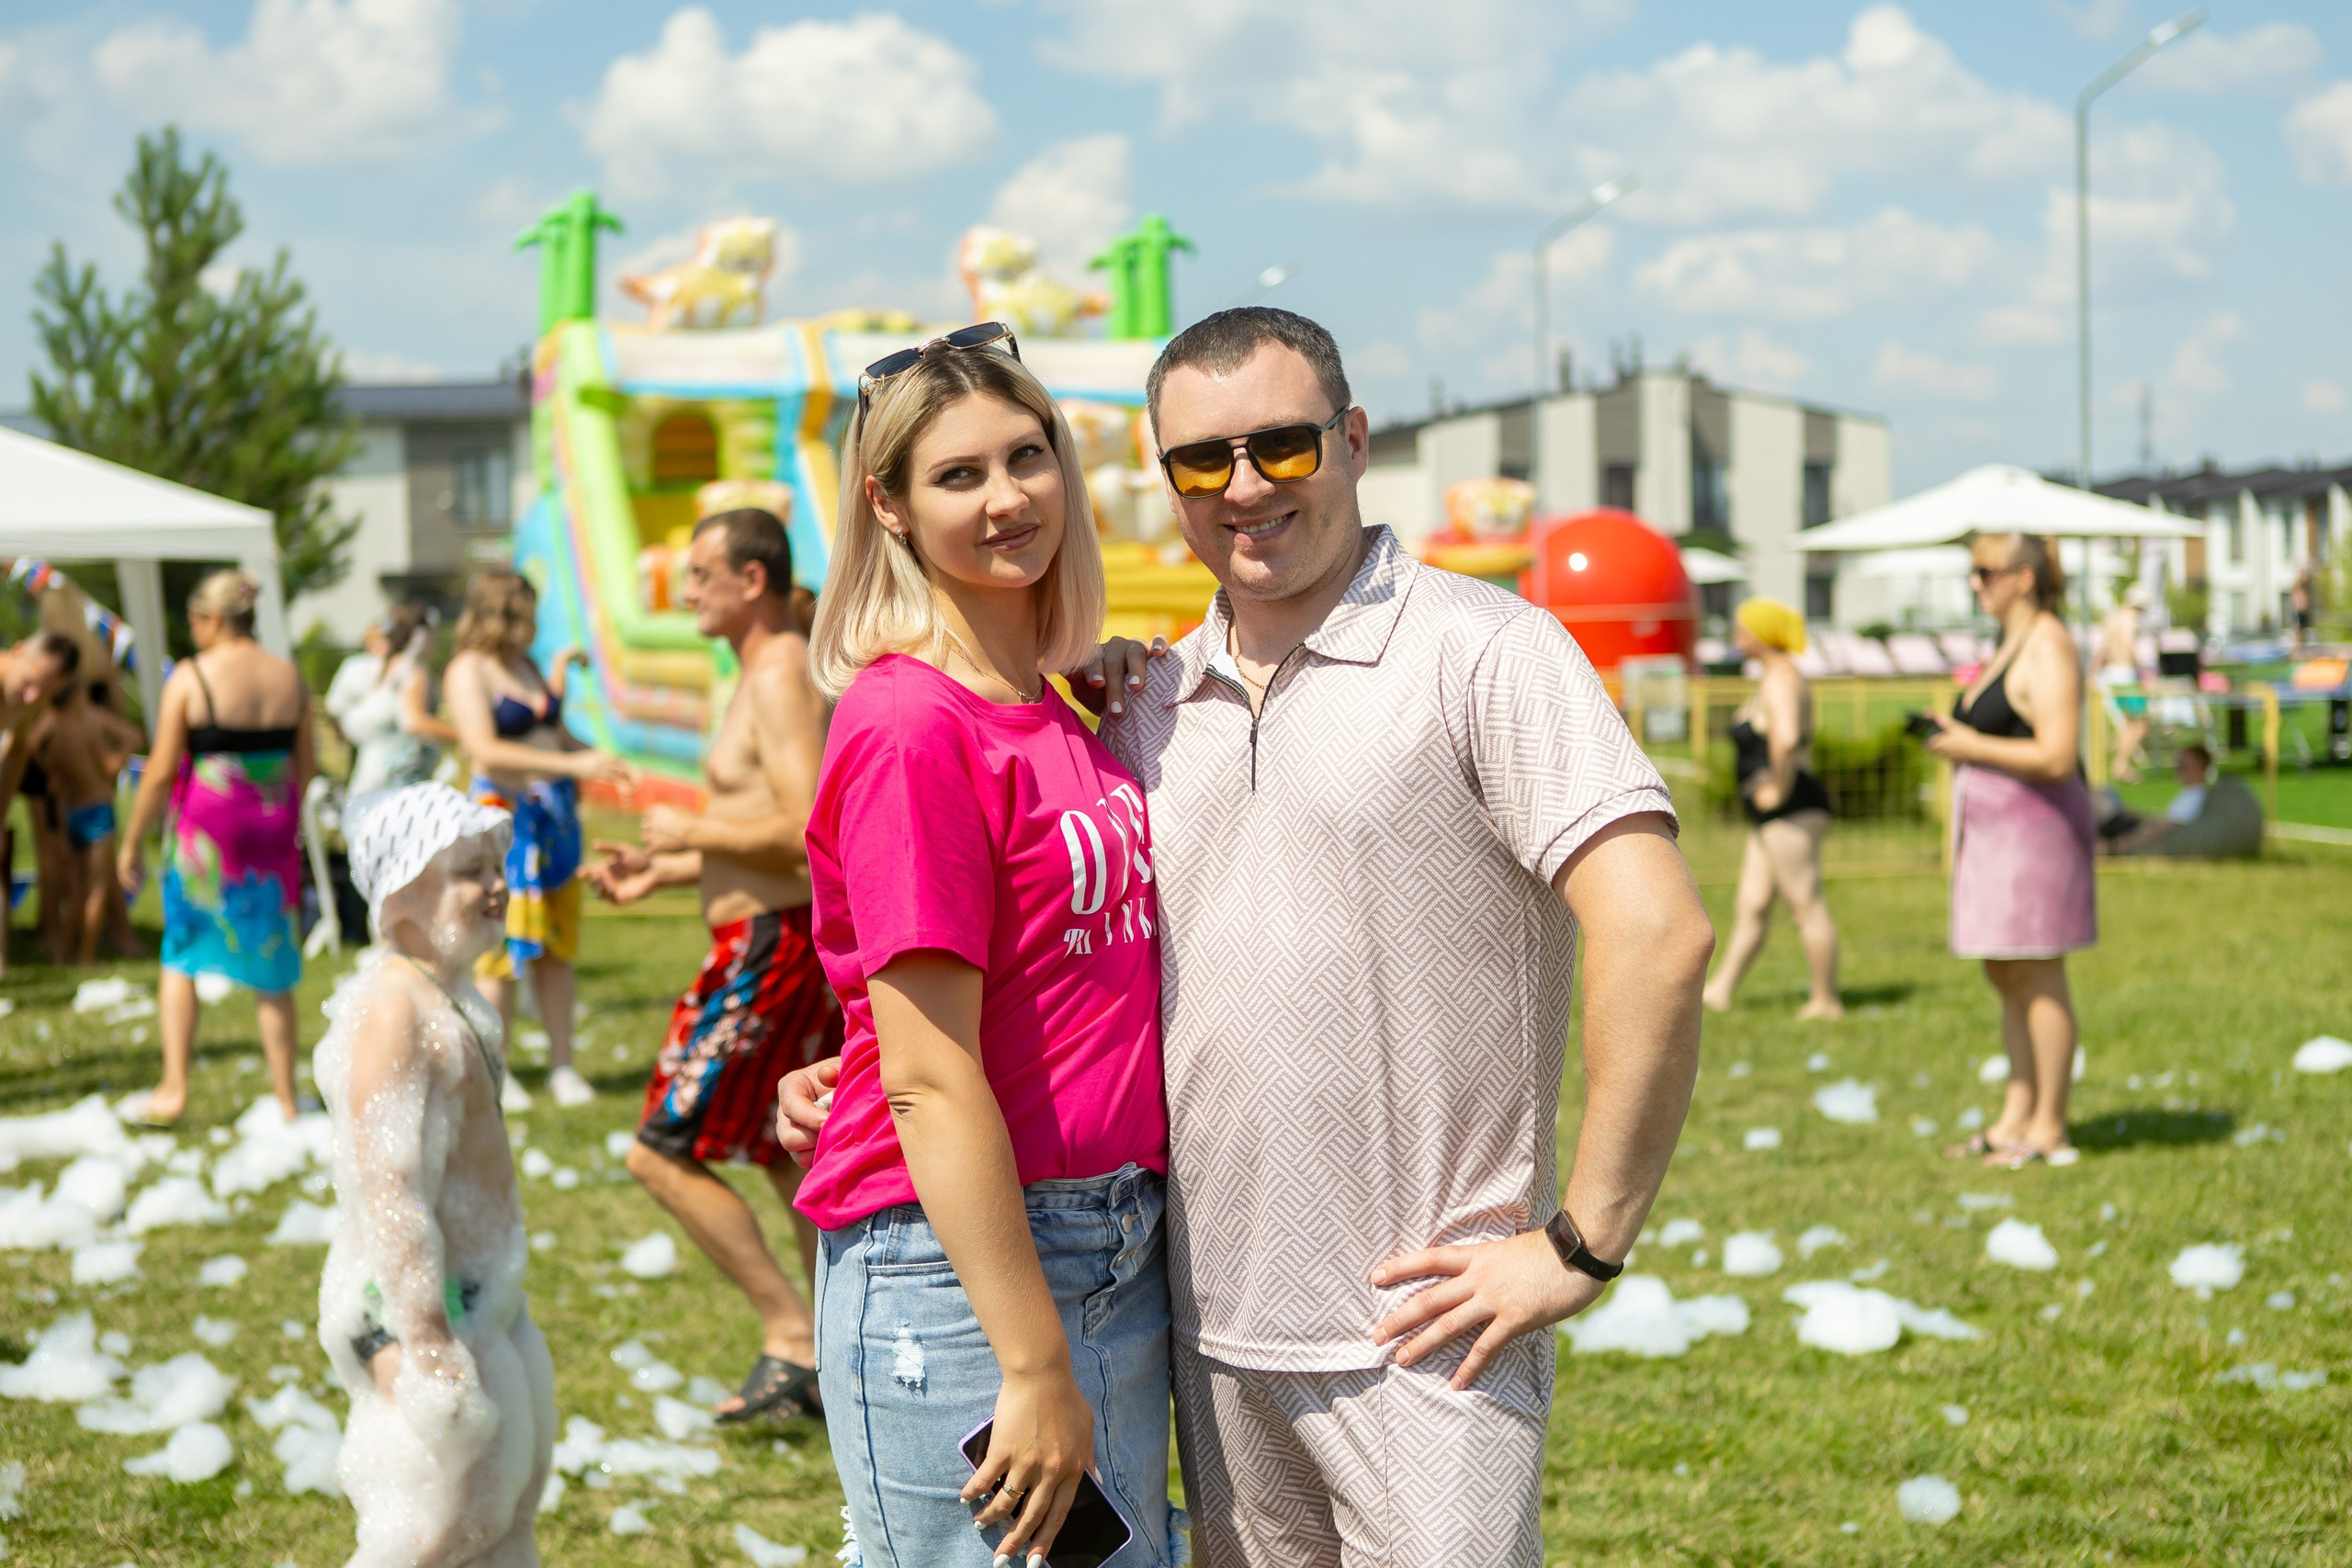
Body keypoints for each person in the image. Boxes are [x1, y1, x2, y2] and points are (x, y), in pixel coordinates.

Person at [785, 307, 1713, 1568]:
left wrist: (1580, 1242)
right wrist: (879, 1072)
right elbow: (984, 980)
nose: (1243, 487)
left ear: (1352, 440)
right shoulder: (1145, 697)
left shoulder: (1481, 649)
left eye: (1280, 446)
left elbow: (1658, 933)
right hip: (1196, 1321)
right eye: (1200, 460)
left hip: (1425, 1328)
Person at [795, 325, 1174, 1568]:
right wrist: (1030, 1356)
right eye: (960, 474)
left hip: (1110, 1244)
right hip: (959, 1278)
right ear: (889, 507)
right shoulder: (910, 722)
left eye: (1030, 455)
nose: (1009, 496)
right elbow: (927, 1070)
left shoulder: (1060, 709)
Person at [582, 507, 839, 1425]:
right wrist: (664, 868)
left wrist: (693, 828)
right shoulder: (758, 674)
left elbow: (813, 830)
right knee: (786, 1152)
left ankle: (794, 1337)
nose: (684, 590)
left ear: (751, 581)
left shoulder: (776, 678)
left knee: (660, 1152)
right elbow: (758, 836)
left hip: (770, 946)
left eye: (699, 573)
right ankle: (839, 1346)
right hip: (770, 934)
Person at [319, 782, 555, 1567]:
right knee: (437, 1529)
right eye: (467, 870)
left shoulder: (449, 993)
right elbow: (388, 1188)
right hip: (411, 1307)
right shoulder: (393, 1008)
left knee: (507, 1506)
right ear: (400, 894)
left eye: (497, 864)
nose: (497, 884)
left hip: (478, 1292)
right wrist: (424, 1343)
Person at [117, 571, 311, 1126]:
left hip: (207, 834)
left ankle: (174, 1088)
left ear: (215, 619)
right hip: (273, 831)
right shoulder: (289, 676)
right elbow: (307, 767)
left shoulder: (192, 676)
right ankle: (285, 1098)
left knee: (181, 955)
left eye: (196, 621)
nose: (193, 631)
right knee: (274, 962)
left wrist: (132, 841)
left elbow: (158, 772)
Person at [1928, 532, 2092, 1169]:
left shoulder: (2050, 643)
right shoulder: (2010, 644)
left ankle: (2049, 1125)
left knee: (2037, 972)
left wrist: (1970, 745)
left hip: (2038, 836)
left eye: (1985, 571)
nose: (1975, 583)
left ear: (2023, 577)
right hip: (2000, 839)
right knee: (2006, 973)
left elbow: (2056, 753)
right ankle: (2014, 1116)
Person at [443, 571, 633, 1110]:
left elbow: (554, 734)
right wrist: (571, 762)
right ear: (501, 612)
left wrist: (601, 758)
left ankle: (562, 1065)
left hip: (554, 821)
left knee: (555, 946)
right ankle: (495, 1071)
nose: (533, 622)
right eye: (525, 611)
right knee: (502, 949)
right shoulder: (467, 671)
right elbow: (486, 751)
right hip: (505, 825)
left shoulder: (523, 665)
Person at [1702, 596, 1842, 1020]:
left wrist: (1777, 793)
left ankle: (1826, 1000)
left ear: (1764, 633)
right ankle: (1720, 990)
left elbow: (1784, 739)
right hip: (1771, 814)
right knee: (1753, 904)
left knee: (1805, 904)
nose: (1737, 635)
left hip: (1792, 808)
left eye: (1744, 627)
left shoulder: (1782, 680)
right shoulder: (1773, 677)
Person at [30, 678, 146, 964]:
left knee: (79, 891)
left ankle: (61, 955)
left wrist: (55, 769)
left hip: (71, 811)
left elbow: (31, 746)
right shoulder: (93, 721)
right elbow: (133, 738)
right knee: (96, 889)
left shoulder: (52, 724)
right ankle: (85, 956)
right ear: (79, 695)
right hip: (98, 811)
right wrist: (119, 759)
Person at [0, 630, 83, 976]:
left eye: (45, 690)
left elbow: (18, 749)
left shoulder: (29, 699)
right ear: (18, 651)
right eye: (31, 682)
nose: (33, 696)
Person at [325, 604, 456, 796]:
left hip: (367, 780)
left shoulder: (381, 669)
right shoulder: (413, 672)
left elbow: (335, 709)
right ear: (422, 636)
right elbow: (414, 722)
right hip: (401, 783)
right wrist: (462, 736)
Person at [2099, 742, 2264, 859]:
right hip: (2151, 829)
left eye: (2184, 766)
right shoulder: (2197, 796)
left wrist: (2117, 847)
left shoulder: (2196, 796)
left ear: (2201, 766)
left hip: (2146, 836)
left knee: (2109, 811)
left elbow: (2166, 827)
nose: (2179, 772)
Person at [2093, 587, 2149, 784]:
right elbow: (2127, 643)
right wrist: (2142, 668)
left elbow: (2101, 650)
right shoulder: (2130, 618)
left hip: (2110, 675)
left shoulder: (2112, 618)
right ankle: (2120, 764)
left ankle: (2120, 763)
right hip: (2125, 675)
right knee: (2139, 723)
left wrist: (2093, 673)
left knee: (2127, 724)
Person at [2290, 563, 2315, 653]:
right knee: (2299, 630)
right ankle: (2298, 648)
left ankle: (2302, 648)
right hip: (2298, 610)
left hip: (2303, 610)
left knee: (2304, 630)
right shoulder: (2298, 585)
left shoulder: (2305, 586)